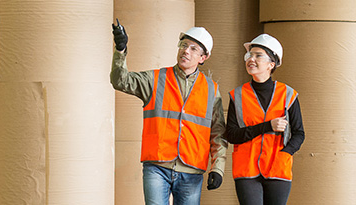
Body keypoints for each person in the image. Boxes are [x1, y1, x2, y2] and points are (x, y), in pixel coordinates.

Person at [111, 19, 227, 204]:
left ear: (203, 57)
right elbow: (120, 80)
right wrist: (120, 50)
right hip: (157, 167)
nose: (186, 51)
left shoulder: (211, 90)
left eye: (193, 49)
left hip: (192, 170)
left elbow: (218, 132)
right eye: (183, 45)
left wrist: (218, 168)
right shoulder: (155, 79)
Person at [226, 34, 305, 205]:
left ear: (272, 64)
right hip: (246, 169)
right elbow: (231, 135)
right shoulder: (237, 95)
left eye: (258, 55)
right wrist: (267, 126)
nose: (251, 59)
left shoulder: (288, 95)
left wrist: (286, 153)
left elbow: (299, 133)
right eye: (249, 55)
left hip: (278, 168)